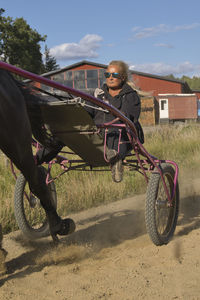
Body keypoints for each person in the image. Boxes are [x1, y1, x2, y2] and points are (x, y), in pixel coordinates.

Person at [85, 60, 144, 183]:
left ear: (122, 78)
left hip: (123, 135)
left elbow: (128, 117)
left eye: (115, 75)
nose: (110, 78)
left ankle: (116, 158)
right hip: (99, 135)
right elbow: (86, 114)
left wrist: (107, 105)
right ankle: (40, 159)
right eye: (107, 75)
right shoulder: (98, 94)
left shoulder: (130, 96)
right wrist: (88, 101)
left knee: (117, 135)